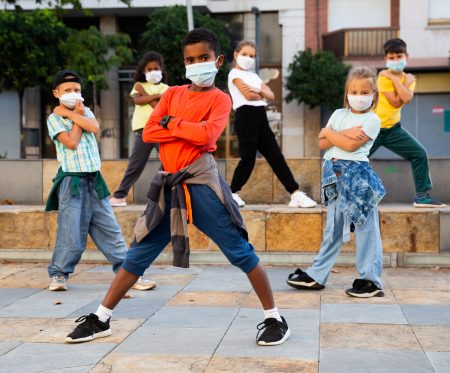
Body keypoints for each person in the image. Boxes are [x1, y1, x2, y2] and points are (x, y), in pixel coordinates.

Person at [65, 29, 290, 346]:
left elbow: (207, 137)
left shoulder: (220, 99)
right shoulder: (171, 94)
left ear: (218, 60)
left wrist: (171, 123)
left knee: (239, 251)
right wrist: (184, 128)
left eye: (203, 58)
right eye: (190, 59)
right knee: (138, 254)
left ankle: (274, 317)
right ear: (183, 64)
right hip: (169, 186)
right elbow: (149, 134)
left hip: (201, 185)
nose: (197, 64)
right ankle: (101, 318)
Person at [45, 70, 155, 292]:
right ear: (56, 93)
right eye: (67, 91)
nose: (73, 94)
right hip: (71, 182)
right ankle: (58, 274)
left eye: (76, 90)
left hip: (94, 181)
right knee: (71, 233)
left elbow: (94, 128)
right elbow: (71, 142)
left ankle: (128, 274)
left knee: (110, 230)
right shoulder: (54, 118)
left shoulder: (87, 112)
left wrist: (74, 115)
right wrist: (73, 117)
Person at [286, 67, 386, 298]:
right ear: (347, 92)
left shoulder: (372, 119)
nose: (358, 95)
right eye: (354, 91)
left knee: (366, 228)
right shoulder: (339, 114)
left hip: (358, 175)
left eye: (364, 91)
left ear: (373, 93)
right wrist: (343, 134)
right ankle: (317, 275)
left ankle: (370, 280)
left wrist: (331, 135)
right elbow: (321, 144)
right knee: (334, 228)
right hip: (334, 176)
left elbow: (349, 146)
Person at [228, 40, 316, 208]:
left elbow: (272, 95)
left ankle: (295, 193)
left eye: (252, 56)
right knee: (248, 159)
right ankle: (232, 193)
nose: (248, 58)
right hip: (245, 116)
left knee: (276, 157)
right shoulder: (233, 74)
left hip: (261, 116)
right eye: (245, 54)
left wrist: (258, 91)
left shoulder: (254, 76)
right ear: (236, 55)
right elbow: (248, 96)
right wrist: (261, 92)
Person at [369, 38, 445, 207]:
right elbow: (396, 102)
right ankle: (343, 194)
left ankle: (422, 196)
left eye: (399, 56)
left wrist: (399, 81)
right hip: (373, 128)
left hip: (393, 130)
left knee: (419, 153)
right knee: (355, 159)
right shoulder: (383, 78)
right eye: (392, 57)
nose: (396, 60)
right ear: (386, 59)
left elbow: (407, 98)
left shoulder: (409, 78)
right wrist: (401, 83)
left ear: (406, 56)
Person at [109, 52, 169, 207]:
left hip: (161, 130)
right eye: (149, 69)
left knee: (169, 163)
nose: (153, 71)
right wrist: (155, 95)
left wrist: (146, 95)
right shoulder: (138, 85)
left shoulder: (167, 88)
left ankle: (164, 194)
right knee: (135, 165)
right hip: (142, 131)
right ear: (144, 71)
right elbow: (137, 100)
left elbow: (160, 108)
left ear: (161, 69)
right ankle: (120, 195)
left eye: (156, 68)